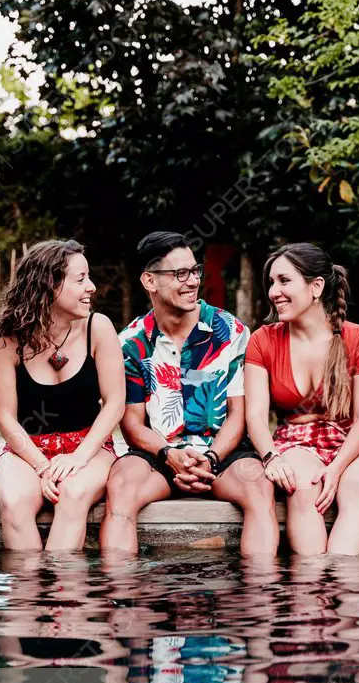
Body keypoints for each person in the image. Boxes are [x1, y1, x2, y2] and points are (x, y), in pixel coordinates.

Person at [99, 231, 279, 558]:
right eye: (179, 274)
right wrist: (169, 454)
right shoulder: (130, 342)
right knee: (121, 484)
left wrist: (209, 458)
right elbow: (132, 423)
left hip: (223, 457)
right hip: (161, 456)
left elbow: (239, 414)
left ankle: (259, 599)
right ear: (150, 281)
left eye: (195, 271)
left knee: (259, 486)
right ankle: (122, 601)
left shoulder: (231, 332)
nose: (192, 281)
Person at [244, 242, 359, 557]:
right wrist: (271, 457)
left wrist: (337, 469)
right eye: (271, 282)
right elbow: (255, 416)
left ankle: (344, 588)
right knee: (302, 487)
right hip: (294, 441)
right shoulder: (263, 340)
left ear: (316, 286)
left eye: (284, 281)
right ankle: (311, 596)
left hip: (352, 441)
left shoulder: (358, 338)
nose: (273, 291)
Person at [0, 239, 125, 551]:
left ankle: (66, 595)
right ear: (49, 285)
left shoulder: (98, 328)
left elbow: (115, 403)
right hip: (27, 449)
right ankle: (29, 595)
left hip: (89, 445)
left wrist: (79, 457)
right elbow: (5, 417)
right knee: (15, 501)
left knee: (71, 494)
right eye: (81, 279)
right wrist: (41, 466)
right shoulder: (5, 343)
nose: (92, 287)